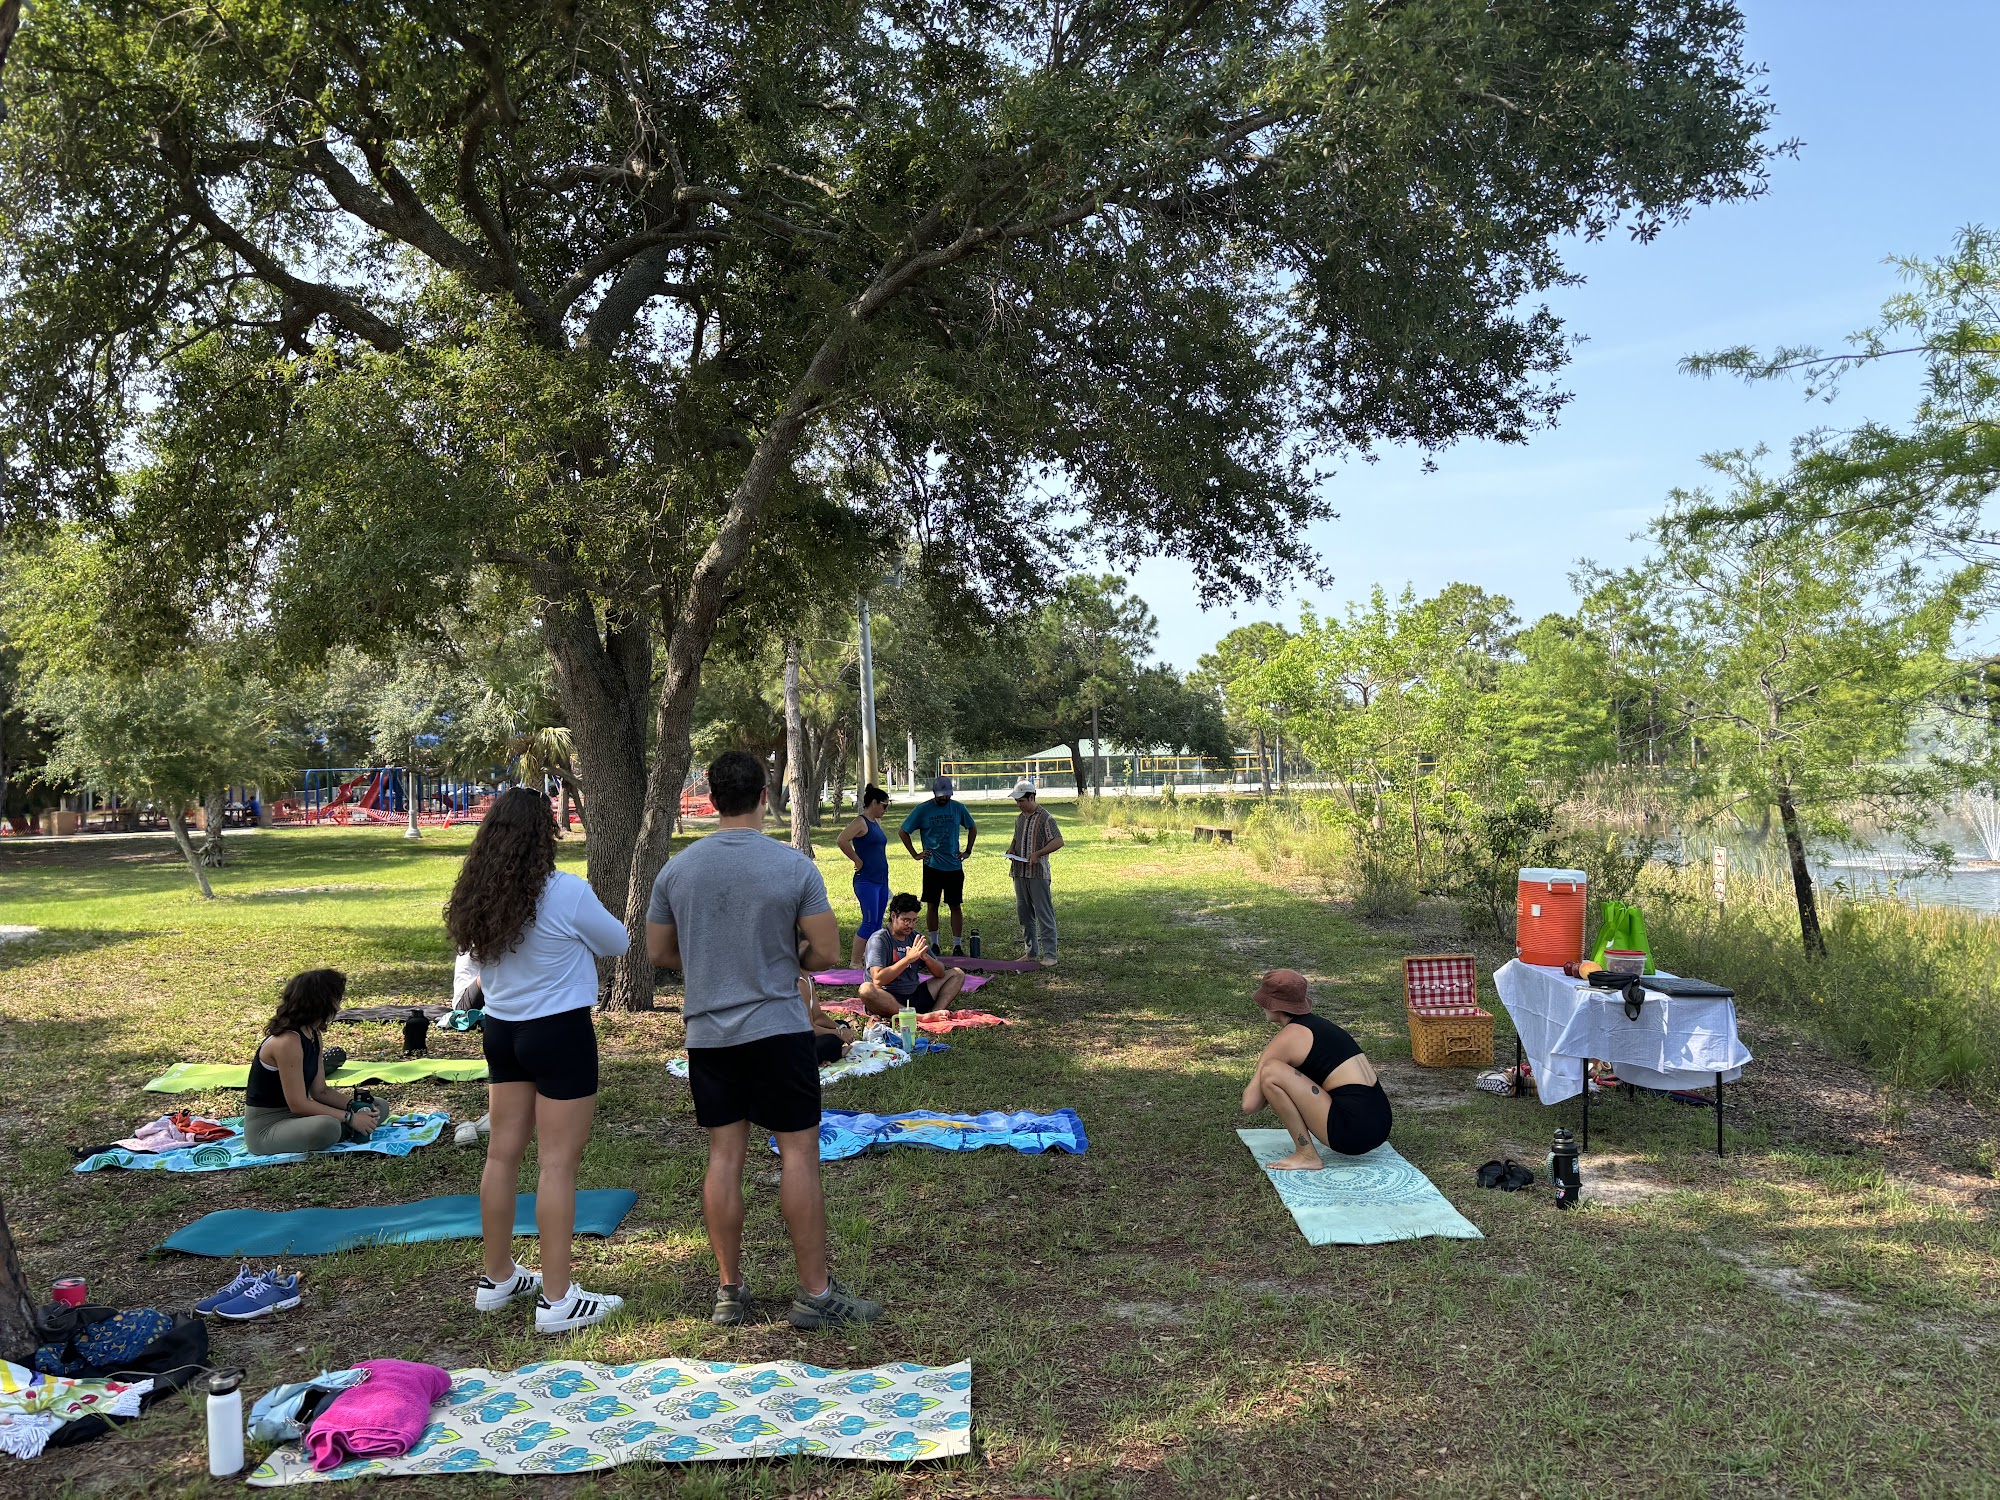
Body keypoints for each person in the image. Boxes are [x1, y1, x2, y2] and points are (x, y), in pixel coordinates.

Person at [647, 748, 882, 1331]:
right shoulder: (793, 865)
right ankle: (815, 1293)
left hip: (707, 1034)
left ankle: (729, 1292)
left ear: (712, 797)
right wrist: (783, 959)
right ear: (762, 797)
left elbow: (658, 953)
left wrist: (711, 967)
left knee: (724, 1157)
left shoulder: (677, 870)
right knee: (799, 1155)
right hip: (777, 1030)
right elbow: (826, 952)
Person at [445, 785, 629, 1334]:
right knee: (557, 1166)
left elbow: (475, 964)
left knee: (501, 1157)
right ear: (544, 835)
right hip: (559, 1034)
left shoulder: (481, 896)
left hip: (501, 1032)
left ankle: (498, 1279)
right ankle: (557, 1299)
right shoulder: (564, 891)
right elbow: (617, 941)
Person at [1241, 968, 1392, 1170]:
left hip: (1351, 1132)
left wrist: (1266, 1066)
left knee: (1271, 1072)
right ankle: (1307, 1153)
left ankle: (1306, 1155)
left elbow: (1250, 1105)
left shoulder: (1289, 1037)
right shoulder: (1324, 1027)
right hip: (1380, 1123)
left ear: (1273, 1006)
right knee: (1278, 1071)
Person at [243, 969, 382, 1157]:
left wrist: (355, 1106)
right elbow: (298, 1104)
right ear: (321, 1002)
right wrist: (350, 1118)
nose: (339, 1007)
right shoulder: (287, 1041)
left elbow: (320, 1091)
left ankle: (357, 1125)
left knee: (377, 1106)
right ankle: (353, 1128)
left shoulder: (313, 1033)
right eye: (336, 999)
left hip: (299, 1119)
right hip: (267, 1127)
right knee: (328, 1126)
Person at [898, 775, 978, 955]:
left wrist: (967, 851)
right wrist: (916, 854)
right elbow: (903, 831)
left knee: (955, 905)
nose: (944, 798)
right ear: (934, 793)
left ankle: (957, 945)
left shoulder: (958, 808)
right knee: (932, 904)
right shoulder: (923, 810)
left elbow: (972, 827)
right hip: (932, 866)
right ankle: (935, 944)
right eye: (940, 795)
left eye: (947, 795)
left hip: (954, 866)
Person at [859, 892, 968, 1018]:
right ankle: (920, 1018)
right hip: (887, 998)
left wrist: (926, 958)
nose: (910, 925)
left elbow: (941, 973)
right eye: (906, 920)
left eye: (914, 920)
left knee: (957, 973)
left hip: (914, 995)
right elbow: (877, 979)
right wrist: (908, 959)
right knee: (866, 989)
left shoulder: (915, 937)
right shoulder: (879, 939)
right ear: (893, 916)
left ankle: (936, 1012)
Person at [1005, 780, 1064, 968]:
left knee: (1043, 913)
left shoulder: (1046, 818)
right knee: (1024, 913)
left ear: (1031, 797)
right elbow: (1017, 837)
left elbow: (1058, 841)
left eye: (1021, 801)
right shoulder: (1020, 818)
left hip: (1038, 873)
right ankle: (1031, 952)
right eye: (1017, 801)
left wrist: (1038, 854)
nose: (1019, 804)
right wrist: (1012, 849)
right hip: (1020, 871)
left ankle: (1050, 955)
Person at [836, 785, 893, 967]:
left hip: (881, 880)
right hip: (866, 880)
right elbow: (841, 840)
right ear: (874, 803)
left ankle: (871, 958)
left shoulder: (875, 823)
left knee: (877, 923)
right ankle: (854, 962)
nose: (885, 810)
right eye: (884, 806)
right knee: (868, 922)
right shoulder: (861, 822)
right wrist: (857, 860)